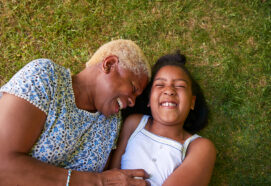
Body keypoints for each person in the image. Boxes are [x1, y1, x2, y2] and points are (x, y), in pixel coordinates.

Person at [0, 39, 152, 186]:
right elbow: (3, 166)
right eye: (133, 88)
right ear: (109, 64)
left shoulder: (111, 124)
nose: (132, 102)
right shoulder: (45, 78)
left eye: (136, 97)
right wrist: (98, 181)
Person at [110, 51, 216, 186]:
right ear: (149, 99)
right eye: (160, 85)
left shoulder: (199, 147)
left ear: (192, 102)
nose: (169, 90)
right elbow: (112, 175)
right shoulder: (134, 123)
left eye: (180, 86)